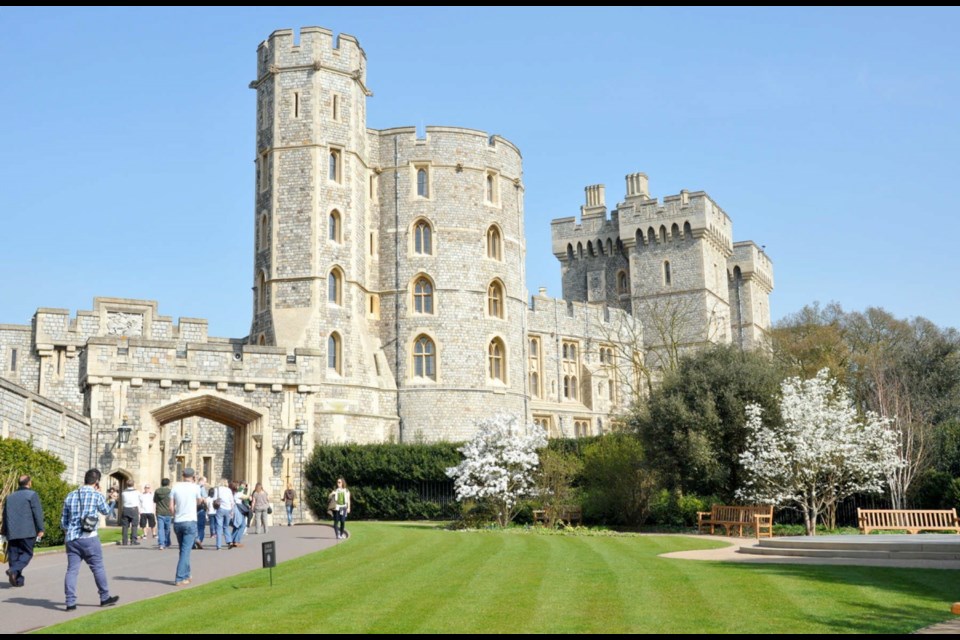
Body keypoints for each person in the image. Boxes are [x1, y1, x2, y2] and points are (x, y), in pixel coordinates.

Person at [61, 468, 119, 611]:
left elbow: (63, 522)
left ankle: (70, 602)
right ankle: (104, 597)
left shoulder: (71, 495)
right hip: (89, 537)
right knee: (97, 567)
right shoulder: (96, 495)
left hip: (72, 538)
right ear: (97, 482)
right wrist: (112, 501)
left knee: (72, 570)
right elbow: (106, 512)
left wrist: (70, 531)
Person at [1, 475, 44, 587]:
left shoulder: (10, 497)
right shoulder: (32, 495)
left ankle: (18, 580)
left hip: (12, 532)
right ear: (29, 482)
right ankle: (13, 570)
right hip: (27, 532)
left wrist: (4, 530)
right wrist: (40, 529)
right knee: (27, 553)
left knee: (14, 555)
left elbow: (5, 515)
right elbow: (37, 514)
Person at [169, 468, 200, 586]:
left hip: (178, 521)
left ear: (183, 475)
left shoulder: (175, 487)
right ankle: (179, 577)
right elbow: (199, 501)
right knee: (186, 550)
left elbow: (171, 507)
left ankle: (187, 574)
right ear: (193, 476)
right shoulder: (195, 487)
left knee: (183, 550)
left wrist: (176, 514)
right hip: (190, 521)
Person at [213, 478, 234, 551]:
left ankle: (219, 546)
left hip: (220, 509)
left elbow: (215, 499)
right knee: (226, 526)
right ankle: (229, 541)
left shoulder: (217, 489)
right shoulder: (229, 490)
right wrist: (232, 511)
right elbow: (232, 501)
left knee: (219, 527)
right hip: (228, 509)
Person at [119, 480, 140, 546]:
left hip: (126, 508)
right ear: (133, 484)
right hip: (133, 509)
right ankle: (133, 540)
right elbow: (140, 500)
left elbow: (123, 501)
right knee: (134, 525)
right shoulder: (137, 492)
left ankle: (124, 541)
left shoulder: (123, 492)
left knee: (125, 526)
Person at [154, 478, 172, 550]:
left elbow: (155, 500)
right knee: (167, 528)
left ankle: (161, 544)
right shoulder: (170, 491)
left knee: (160, 529)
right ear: (168, 483)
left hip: (159, 511)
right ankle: (167, 542)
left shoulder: (157, 491)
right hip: (168, 512)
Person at [228, 481, 247, 548]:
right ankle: (236, 541)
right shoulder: (237, 494)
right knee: (242, 525)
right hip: (238, 510)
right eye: (238, 486)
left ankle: (232, 540)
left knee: (237, 525)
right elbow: (247, 497)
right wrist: (249, 488)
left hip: (234, 510)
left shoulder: (233, 493)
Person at [194, 476, 208, 550]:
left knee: (194, 526)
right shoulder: (201, 487)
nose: (205, 483)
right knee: (201, 526)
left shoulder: (193, 487)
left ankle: (195, 541)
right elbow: (204, 498)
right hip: (201, 508)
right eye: (205, 481)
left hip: (193, 509)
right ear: (202, 481)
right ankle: (199, 540)